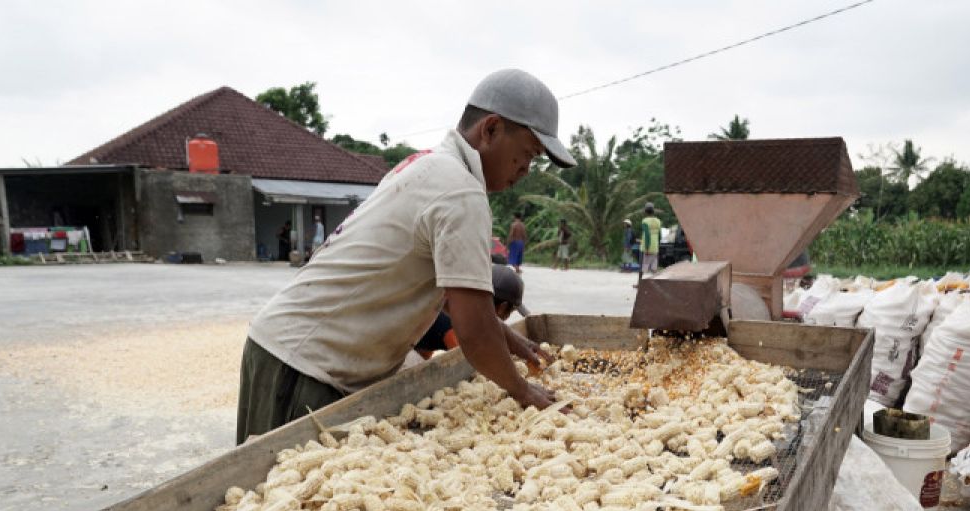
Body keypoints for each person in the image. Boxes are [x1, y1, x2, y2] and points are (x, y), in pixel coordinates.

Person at [236, 68, 577, 445]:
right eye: (527, 154)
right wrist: (524, 393)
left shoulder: (430, 166)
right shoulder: (460, 192)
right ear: (491, 129)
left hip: (285, 349)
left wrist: (509, 338)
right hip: (303, 365)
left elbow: (458, 296)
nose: (526, 170)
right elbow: (474, 331)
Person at [415, 265, 529, 358]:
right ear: (502, 308)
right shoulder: (457, 324)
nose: (507, 319)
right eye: (511, 312)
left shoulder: (466, 308)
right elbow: (464, 359)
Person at [640, 202, 661, 274]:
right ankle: (656, 283)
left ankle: (640, 282)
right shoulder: (658, 221)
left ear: (645, 211)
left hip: (647, 247)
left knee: (644, 266)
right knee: (654, 267)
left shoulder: (645, 221)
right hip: (655, 247)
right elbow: (660, 235)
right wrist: (658, 245)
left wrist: (647, 247)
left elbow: (647, 235)